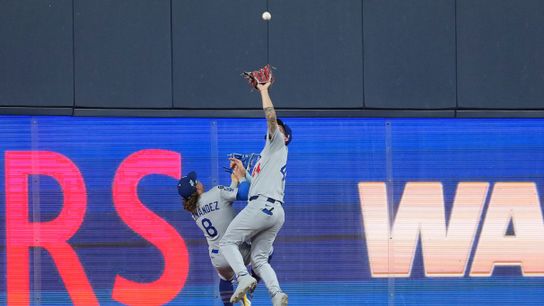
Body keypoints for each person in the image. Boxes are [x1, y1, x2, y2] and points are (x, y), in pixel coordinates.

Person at [219, 78, 291, 306]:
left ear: (285, 137)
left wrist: (263, 90)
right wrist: (243, 174)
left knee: (227, 242)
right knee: (259, 259)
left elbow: (270, 116)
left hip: (263, 206)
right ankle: (277, 294)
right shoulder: (266, 156)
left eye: (280, 128)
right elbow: (255, 186)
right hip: (275, 210)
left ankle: (242, 278)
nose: (274, 128)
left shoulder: (278, 143)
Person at [177, 167, 252, 306]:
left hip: (218, 257)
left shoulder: (193, 210)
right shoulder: (217, 191)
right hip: (238, 251)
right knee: (267, 250)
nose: (199, 182)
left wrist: (233, 183)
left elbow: (221, 206)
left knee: (225, 279)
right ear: (197, 187)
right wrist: (241, 177)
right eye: (196, 181)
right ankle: (251, 288)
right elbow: (244, 193)